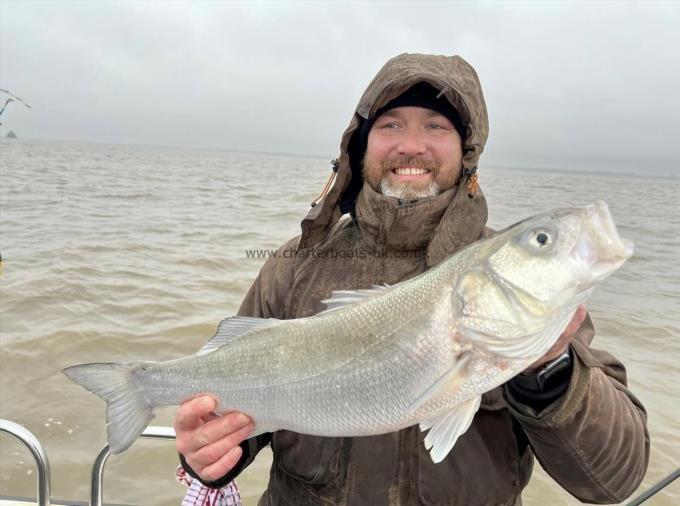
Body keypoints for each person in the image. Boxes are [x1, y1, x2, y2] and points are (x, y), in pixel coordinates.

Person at [174, 53, 650, 505]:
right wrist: (208, 453)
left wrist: (549, 374)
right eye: (390, 125)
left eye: (436, 126)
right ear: (361, 145)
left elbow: (615, 480)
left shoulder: (536, 302)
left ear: (467, 153)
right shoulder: (294, 264)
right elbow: (231, 411)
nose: (411, 145)